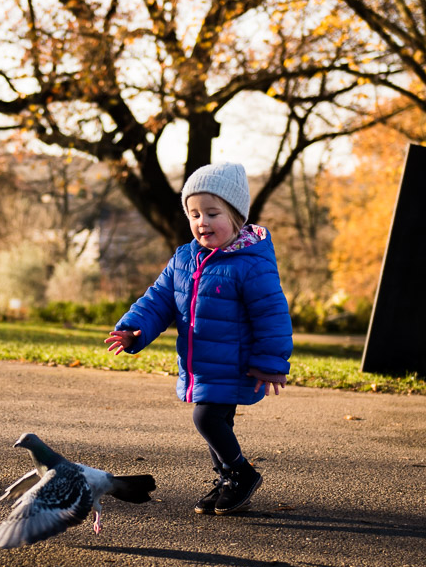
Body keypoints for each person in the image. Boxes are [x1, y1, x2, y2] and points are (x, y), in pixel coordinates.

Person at [105, 162, 292, 515]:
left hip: (237, 365)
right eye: (193, 213)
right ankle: (227, 479)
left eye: (212, 212)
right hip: (203, 365)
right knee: (216, 424)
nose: (201, 221)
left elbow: (272, 316)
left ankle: (242, 474)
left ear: (236, 216)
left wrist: (269, 363)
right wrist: (132, 329)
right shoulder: (185, 258)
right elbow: (158, 300)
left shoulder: (250, 264)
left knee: (206, 419)